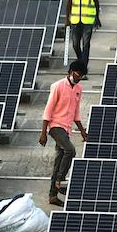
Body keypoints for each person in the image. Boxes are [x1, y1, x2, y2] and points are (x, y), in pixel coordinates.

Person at [38, 61, 88, 207]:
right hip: (55, 126)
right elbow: (48, 110)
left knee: (59, 161)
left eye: (81, 76)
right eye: (78, 75)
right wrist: (43, 133)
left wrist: (83, 131)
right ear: (71, 71)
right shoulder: (58, 86)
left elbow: (76, 113)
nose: (79, 78)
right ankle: (60, 179)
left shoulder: (78, 89)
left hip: (66, 129)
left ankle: (53, 195)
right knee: (70, 150)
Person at [64, 0, 100, 70]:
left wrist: (97, 18)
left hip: (88, 20)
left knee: (86, 45)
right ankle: (81, 61)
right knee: (75, 45)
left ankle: (83, 68)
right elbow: (69, 1)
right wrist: (67, 18)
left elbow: (96, 2)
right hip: (75, 20)